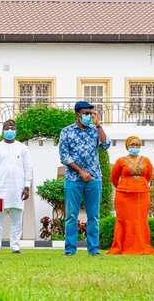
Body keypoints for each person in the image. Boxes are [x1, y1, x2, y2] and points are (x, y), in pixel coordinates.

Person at [59, 100, 111, 256]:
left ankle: (93, 249)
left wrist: (99, 125)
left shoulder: (95, 130)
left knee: (94, 216)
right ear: (77, 114)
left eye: (91, 113)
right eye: (86, 113)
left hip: (94, 179)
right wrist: (81, 171)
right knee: (71, 216)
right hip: (73, 179)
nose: (89, 116)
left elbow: (106, 144)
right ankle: (70, 250)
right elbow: (64, 156)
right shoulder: (66, 131)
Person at [0, 119, 33, 254]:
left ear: (16, 130)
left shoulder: (23, 148)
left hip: (18, 190)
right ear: (3, 130)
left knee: (17, 220)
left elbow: (28, 168)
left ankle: (15, 246)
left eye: (12, 128)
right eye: (7, 128)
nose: (10, 130)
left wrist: (26, 186)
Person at [107, 135, 154, 255]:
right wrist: (124, 186)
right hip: (124, 195)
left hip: (141, 195)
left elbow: (148, 176)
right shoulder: (120, 161)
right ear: (127, 146)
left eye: (137, 145)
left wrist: (139, 184)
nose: (135, 147)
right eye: (132, 145)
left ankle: (141, 246)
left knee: (140, 220)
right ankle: (121, 246)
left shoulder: (146, 160)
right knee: (125, 220)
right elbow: (114, 178)